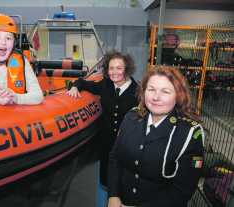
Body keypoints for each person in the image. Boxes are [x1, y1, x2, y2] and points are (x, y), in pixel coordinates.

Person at [107, 66, 205, 207]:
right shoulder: (131, 117)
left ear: (178, 96)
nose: (156, 97)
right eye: (151, 89)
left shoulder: (190, 133)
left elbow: (182, 190)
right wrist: (113, 195)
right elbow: (115, 158)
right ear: (144, 92)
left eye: (165, 91)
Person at [67, 51, 139, 207]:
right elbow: (83, 82)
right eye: (111, 68)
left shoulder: (137, 91)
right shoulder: (105, 84)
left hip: (127, 145)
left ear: (127, 69)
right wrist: (75, 87)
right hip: (106, 144)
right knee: (106, 180)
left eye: (119, 68)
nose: (114, 72)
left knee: (124, 181)